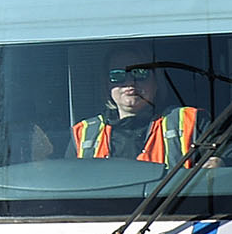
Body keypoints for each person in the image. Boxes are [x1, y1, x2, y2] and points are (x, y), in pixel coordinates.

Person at [73, 54, 201, 165]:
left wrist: (219, 160)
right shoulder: (82, 133)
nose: (130, 82)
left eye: (140, 73)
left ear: (157, 81)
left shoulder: (190, 121)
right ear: (107, 84)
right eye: (117, 75)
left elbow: (216, 158)